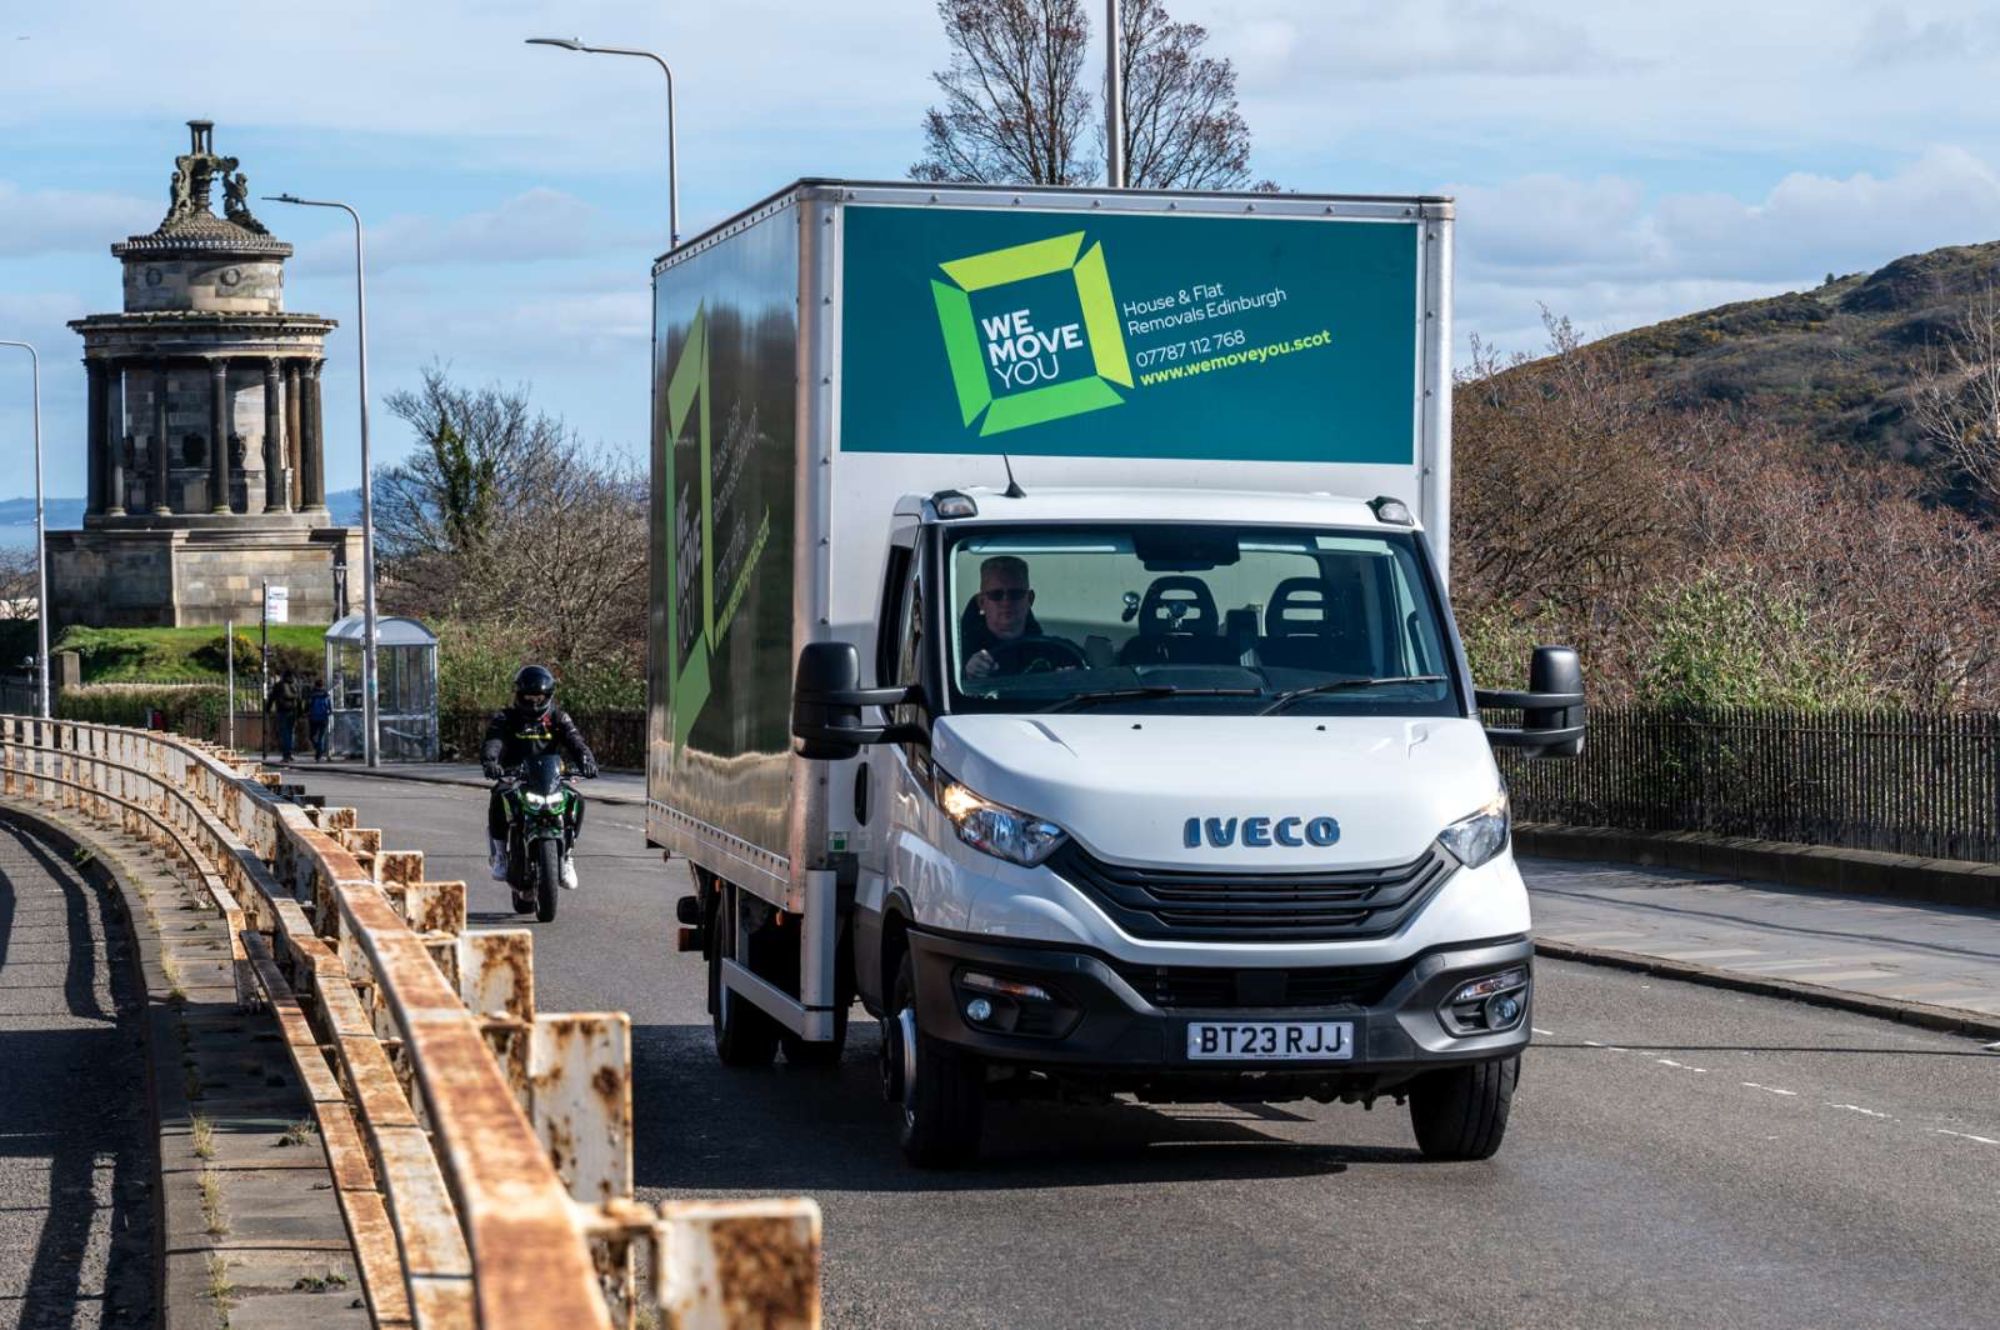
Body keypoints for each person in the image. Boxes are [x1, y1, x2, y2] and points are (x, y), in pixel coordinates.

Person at [480, 665, 598, 889]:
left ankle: (567, 856)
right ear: (519, 695)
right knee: (499, 797)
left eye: (539, 697)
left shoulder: (558, 717)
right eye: (529, 697)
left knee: (577, 800)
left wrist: (587, 761)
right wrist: (490, 762)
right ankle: (500, 856)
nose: (534, 702)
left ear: (548, 696)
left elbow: (576, 742)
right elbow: (493, 741)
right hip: (515, 777)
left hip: (550, 778)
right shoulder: (505, 718)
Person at [962, 555, 1065, 679]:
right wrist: (967, 675)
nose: (1006, 602)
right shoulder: (955, 656)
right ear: (982, 602)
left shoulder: (1057, 651)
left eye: (1016, 594)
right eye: (996, 594)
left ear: (1030, 599)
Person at [267, 670, 300, 762]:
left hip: (282, 711)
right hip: (293, 711)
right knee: (291, 733)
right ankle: (289, 752)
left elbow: (271, 697)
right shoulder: (294, 685)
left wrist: (268, 709)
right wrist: (300, 712)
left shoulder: (279, 685)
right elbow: (299, 699)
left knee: (284, 733)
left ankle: (286, 754)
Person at [306, 679, 332, 762]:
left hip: (313, 718)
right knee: (321, 736)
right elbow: (329, 706)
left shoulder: (312, 694)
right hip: (323, 717)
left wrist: (306, 713)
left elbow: (308, 705)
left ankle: (318, 749)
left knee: (312, 736)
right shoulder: (326, 694)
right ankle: (319, 751)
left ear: (315, 685)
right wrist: (329, 713)